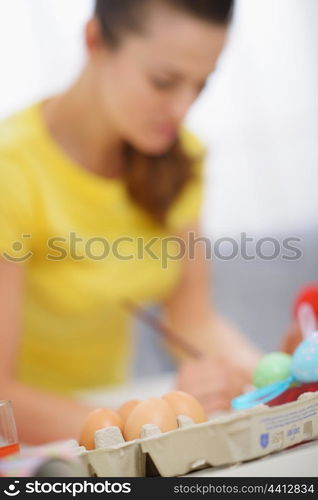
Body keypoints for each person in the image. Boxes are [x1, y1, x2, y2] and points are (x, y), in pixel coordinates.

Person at [0, 0, 263, 445]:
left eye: (200, 85)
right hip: (34, 446)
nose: (183, 108)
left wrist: (282, 379)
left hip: (117, 430)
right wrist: (139, 419)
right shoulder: (12, 171)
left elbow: (194, 322)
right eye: (164, 82)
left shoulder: (179, 158)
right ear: (95, 40)